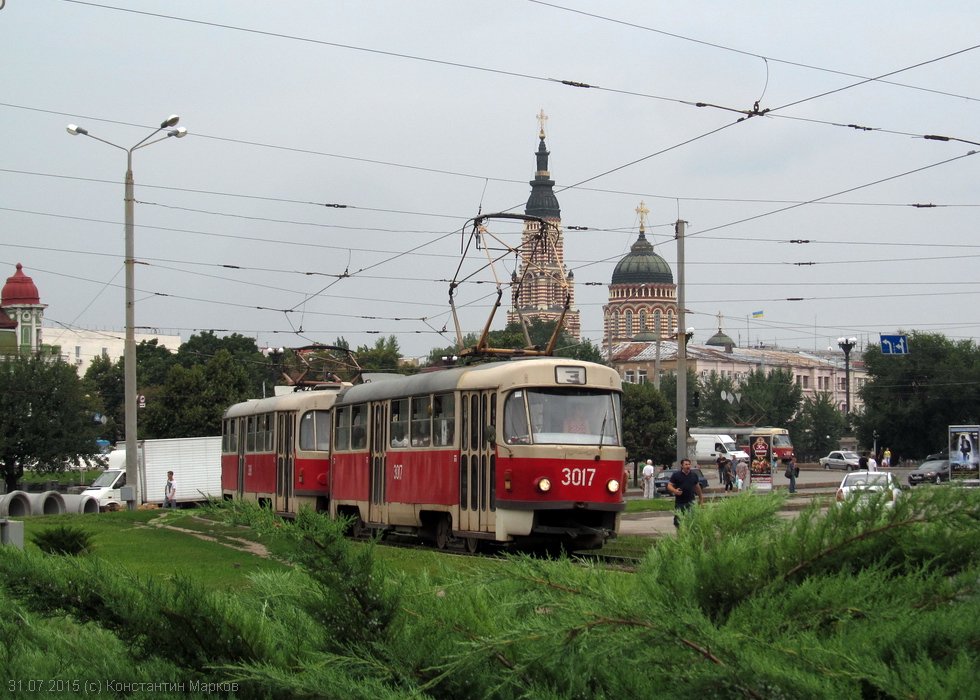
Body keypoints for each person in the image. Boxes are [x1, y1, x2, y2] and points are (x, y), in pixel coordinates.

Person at [667, 459, 703, 528]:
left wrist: (700, 498)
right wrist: (675, 491)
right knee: (678, 520)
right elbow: (669, 485)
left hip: (691, 501)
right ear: (682, 466)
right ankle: (680, 536)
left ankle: (690, 534)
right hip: (680, 502)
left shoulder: (694, 475)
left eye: (689, 464)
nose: (688, 466)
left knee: (692, 518)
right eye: (686, 464)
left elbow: (697, 487)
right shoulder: (676, 475)